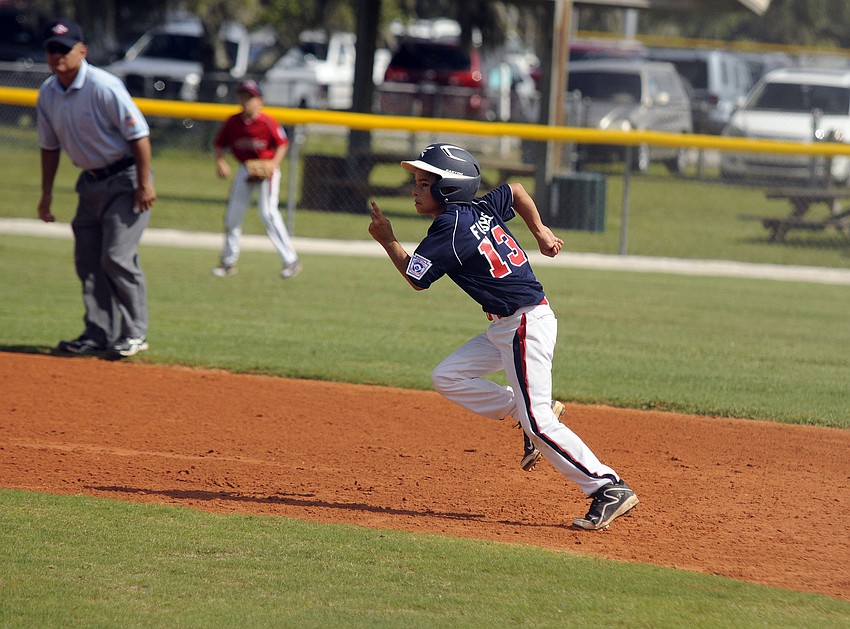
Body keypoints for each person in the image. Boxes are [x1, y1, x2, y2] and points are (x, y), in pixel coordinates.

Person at [368, 143, 639, 530]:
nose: (414, 189)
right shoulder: (479, 209)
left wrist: (387, 240)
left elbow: (416, 278)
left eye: (423, 183)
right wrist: (541, 231)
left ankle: (606, 487)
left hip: (524, 324)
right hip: (508, 325)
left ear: (447, 189)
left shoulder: (448, 229)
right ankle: (519, 411)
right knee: (448, 376)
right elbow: (516, 190)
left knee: (539, 421)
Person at [36, 18, 156, 359]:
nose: (57, 54)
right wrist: (46, 195)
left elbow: (139, 135)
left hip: (125, 179)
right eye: (51, 48)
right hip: (89, 182)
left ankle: (134, 333)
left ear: (82, 51)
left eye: (64, 48)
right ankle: (99, 333)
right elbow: (49, 147)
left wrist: (144, 183)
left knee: (116, 256)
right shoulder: (47, 93)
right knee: (88, 259)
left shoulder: (104, 86)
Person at [211, 80, 301, 279]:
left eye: (250, 97)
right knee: (233, 216)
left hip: (266, 169)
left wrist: (273, 165)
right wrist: (221, 163)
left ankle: (290, 260)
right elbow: (219, 144)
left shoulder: (267, 122)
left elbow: (282, 144)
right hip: (245, 169)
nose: (246, 101)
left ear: (260, 100)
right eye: (243, 96)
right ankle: (228, 262)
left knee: (268, 213)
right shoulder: (233, 121)